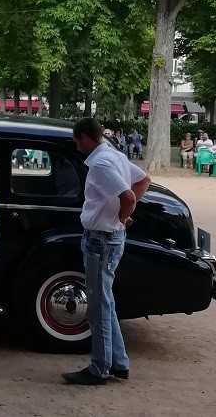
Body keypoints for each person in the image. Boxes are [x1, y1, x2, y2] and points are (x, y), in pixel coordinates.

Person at [62, 118, 151, 387]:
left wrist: (122, 215)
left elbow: (129, 196)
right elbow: (143, 180)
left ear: (85, 137)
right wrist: (121, 218)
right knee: (105, 302)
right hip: (109, 237)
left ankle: (100, 367)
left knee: (98, 307)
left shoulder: (100, 164)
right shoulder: (114, 155)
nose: (77, 147)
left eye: (78, 141)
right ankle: (118, 361)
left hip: (101, 238)